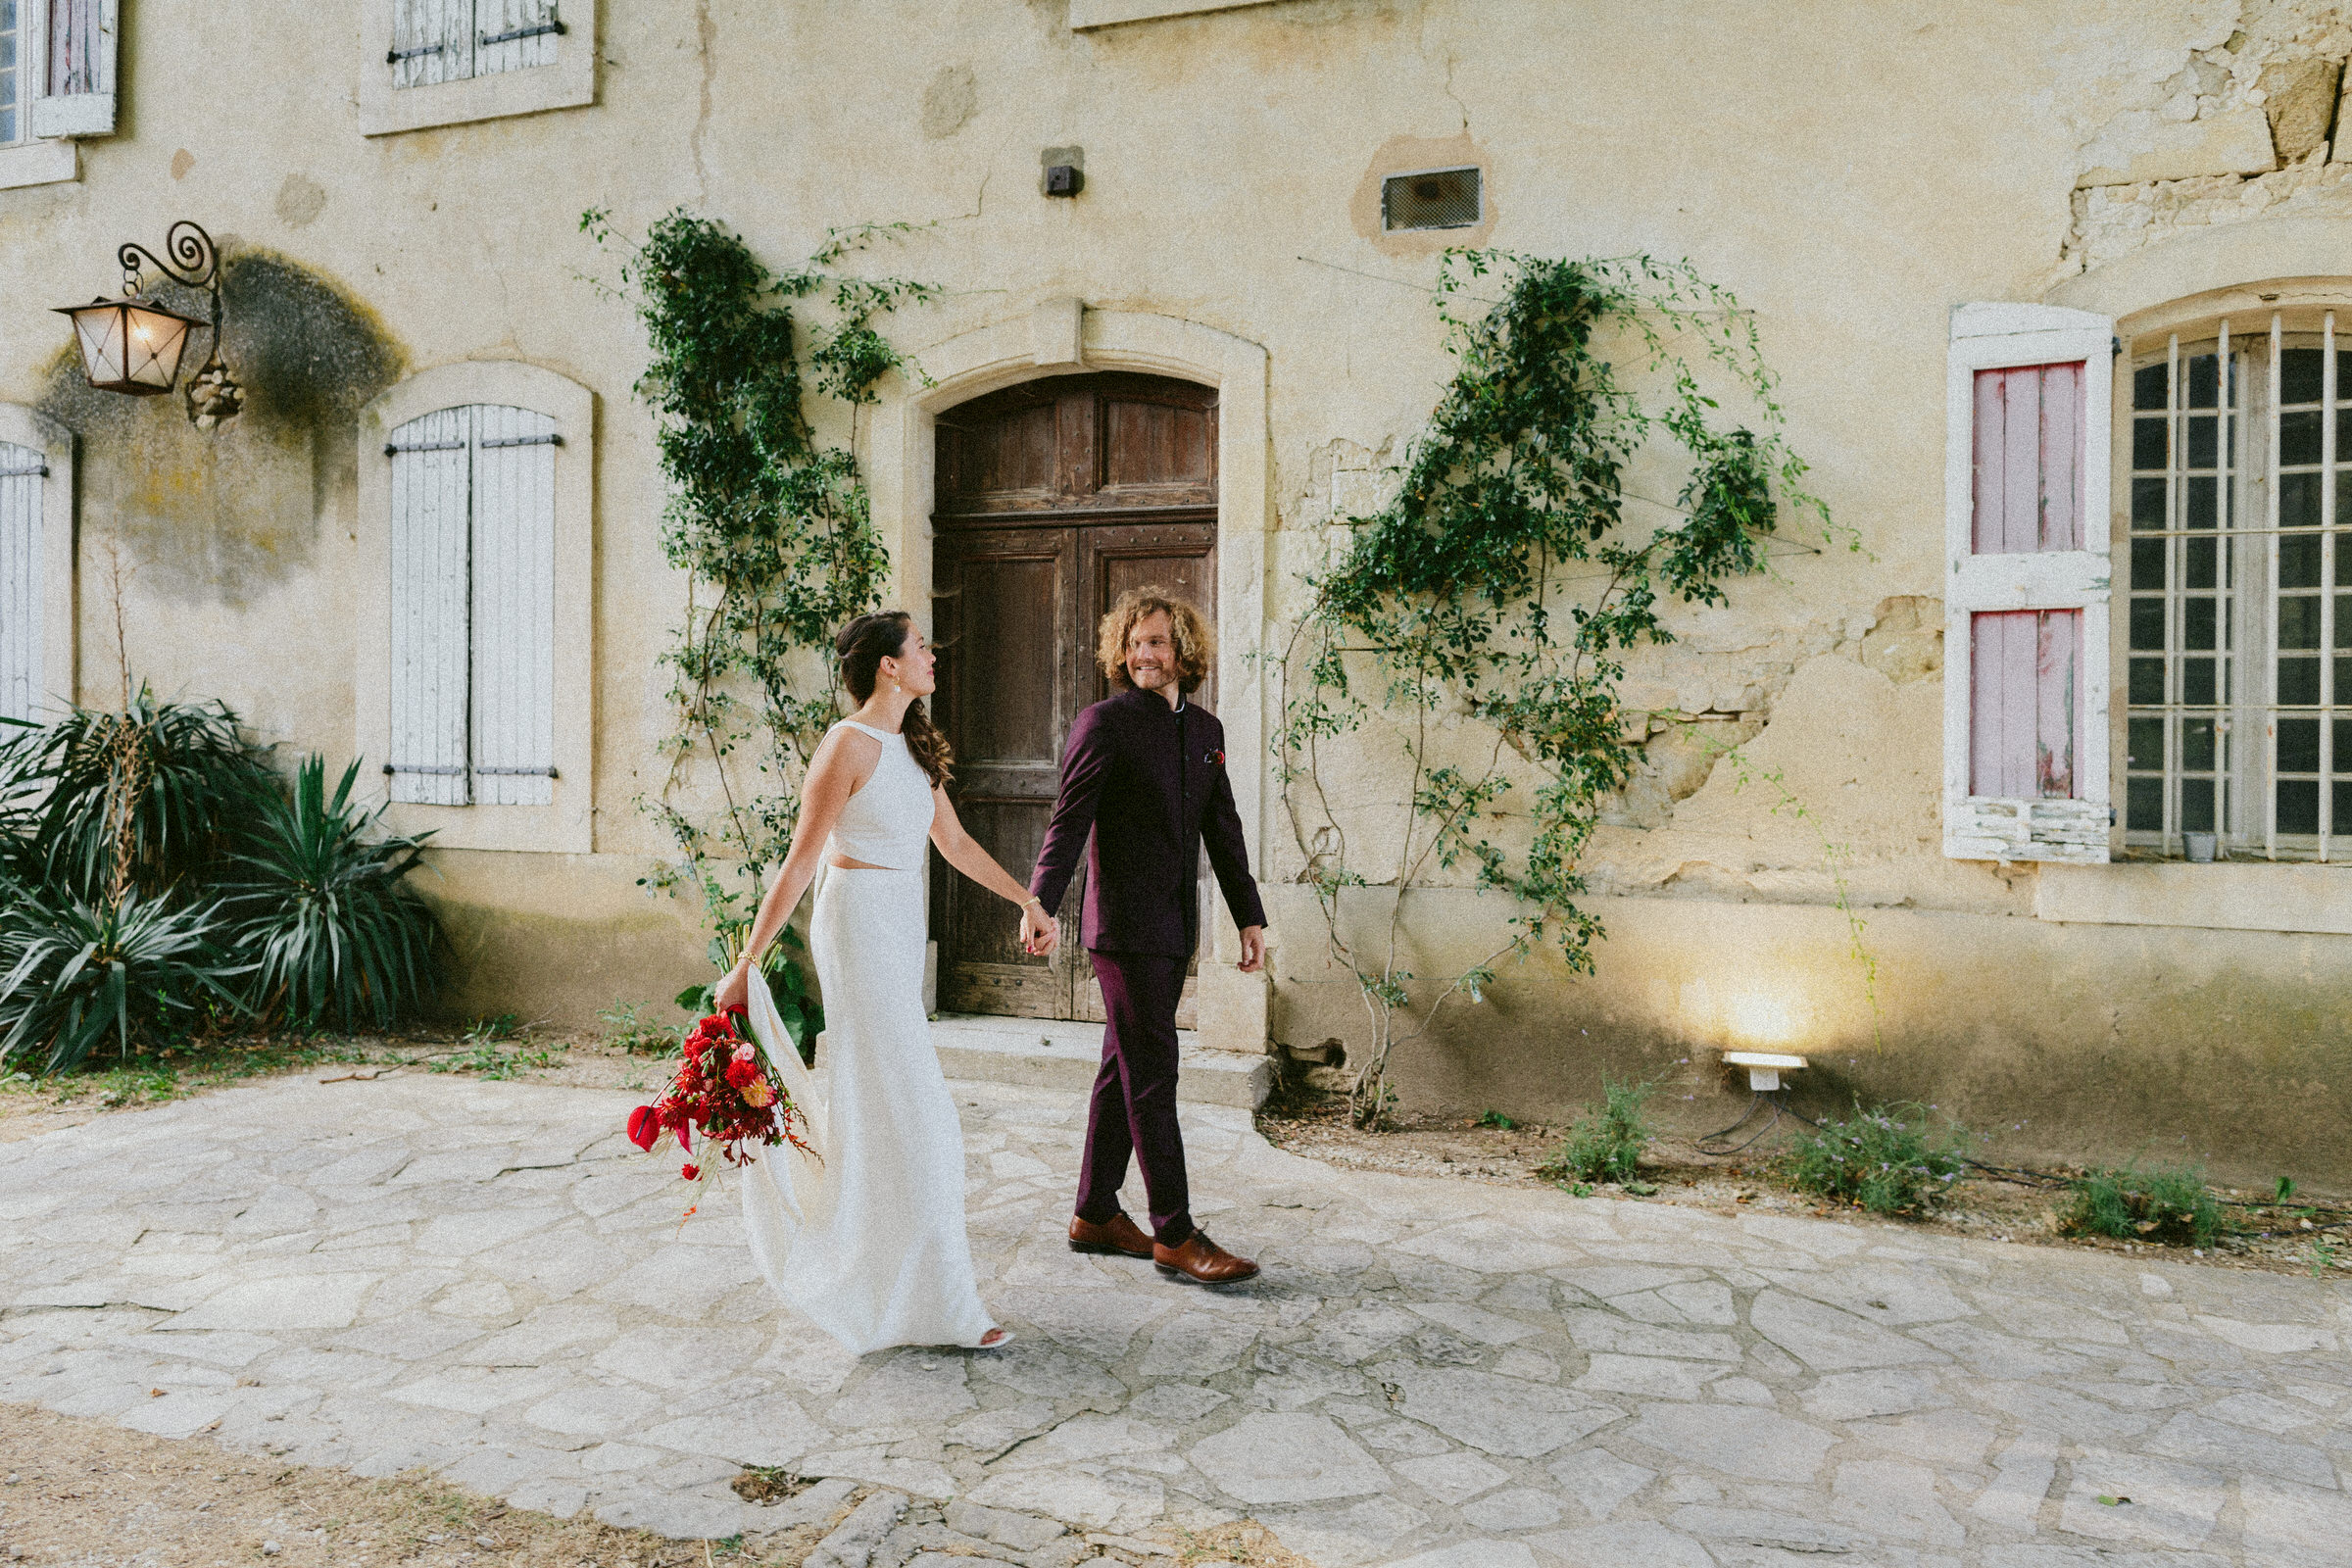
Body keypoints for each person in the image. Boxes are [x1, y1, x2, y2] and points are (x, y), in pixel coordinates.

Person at [713, 611, 1056, 1353]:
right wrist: (748, 963)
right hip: (858, 927)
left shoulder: (910, 748)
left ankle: (903, 1288)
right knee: (921, 1113)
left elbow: (955, 842)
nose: (934, 657)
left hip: (899, 926)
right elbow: (801, 861)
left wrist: (1026, 899)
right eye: (922, 648)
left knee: (886, 1111)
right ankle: (942, 1304)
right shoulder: (848, 745)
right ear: (887, 667)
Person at [1029, 587, 1267, 1285]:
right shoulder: (1103, 724)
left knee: (1123, 1068)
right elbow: (1068, 821)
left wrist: (1248, 916)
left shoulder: (1207, 733)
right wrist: (1040, 899)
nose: (1144, 654)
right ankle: (1174, 1232)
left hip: (1174, 927)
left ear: (1184, 651)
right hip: (1124, 930)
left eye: (1157, 642)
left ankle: (1096, 1212)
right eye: (1134, 643)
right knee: (1153, 1074)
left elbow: (1223, 831)